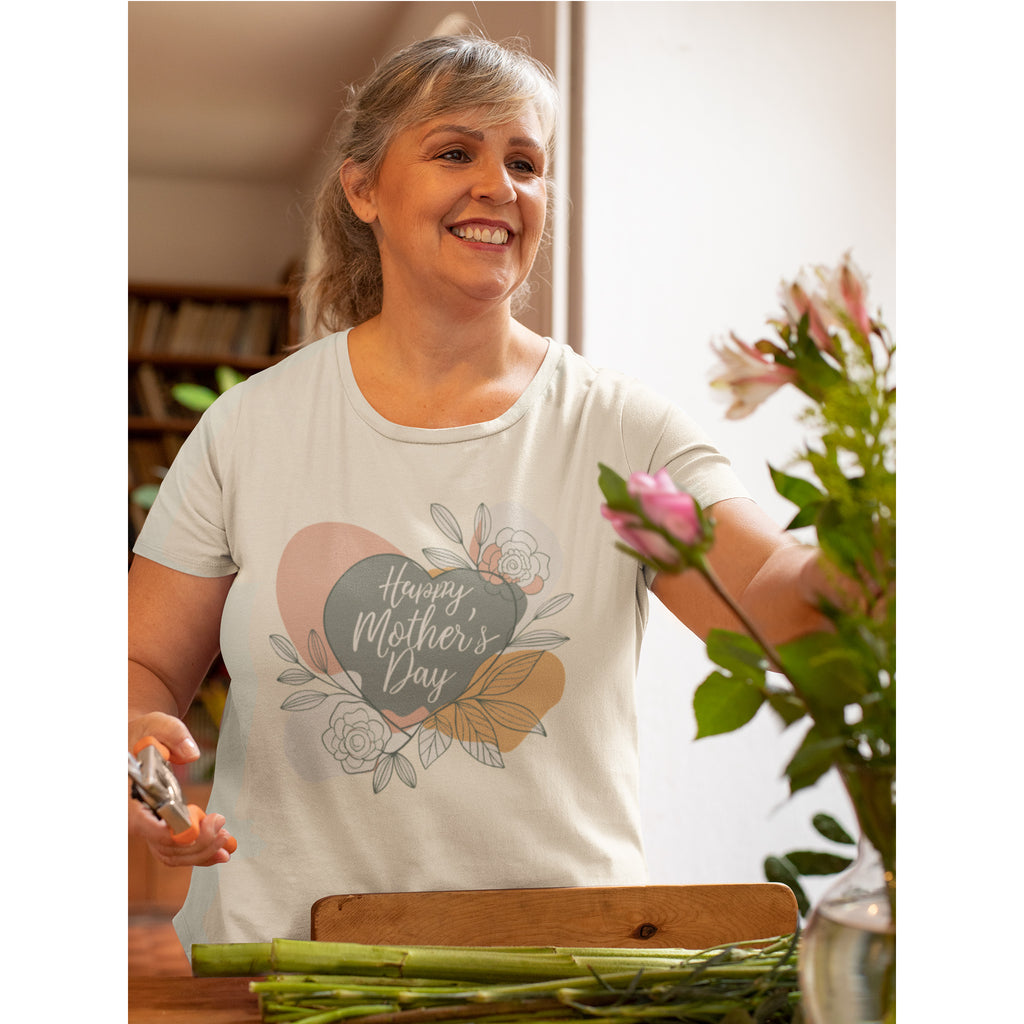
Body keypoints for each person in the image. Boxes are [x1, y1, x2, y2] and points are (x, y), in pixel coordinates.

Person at [128, 34, 833, 953]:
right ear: (364, 189)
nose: (500, 186)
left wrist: (882, 545)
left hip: (562, 971)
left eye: (526, 162)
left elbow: (773, 600)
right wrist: (135, 737)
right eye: (456, 151)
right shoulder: (249, 428)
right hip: (289, 968)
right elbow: (140, 664)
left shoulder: (622, 432)